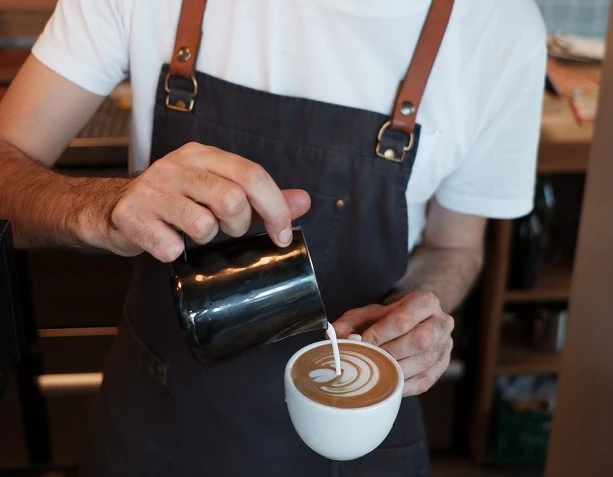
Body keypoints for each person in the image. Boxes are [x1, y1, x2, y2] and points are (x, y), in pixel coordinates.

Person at [0, 0, 547, 475]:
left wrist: (418, 314)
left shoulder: (499, 27)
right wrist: (104, 209)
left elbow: (456, 246)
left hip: (356, 438)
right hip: (160, 422)